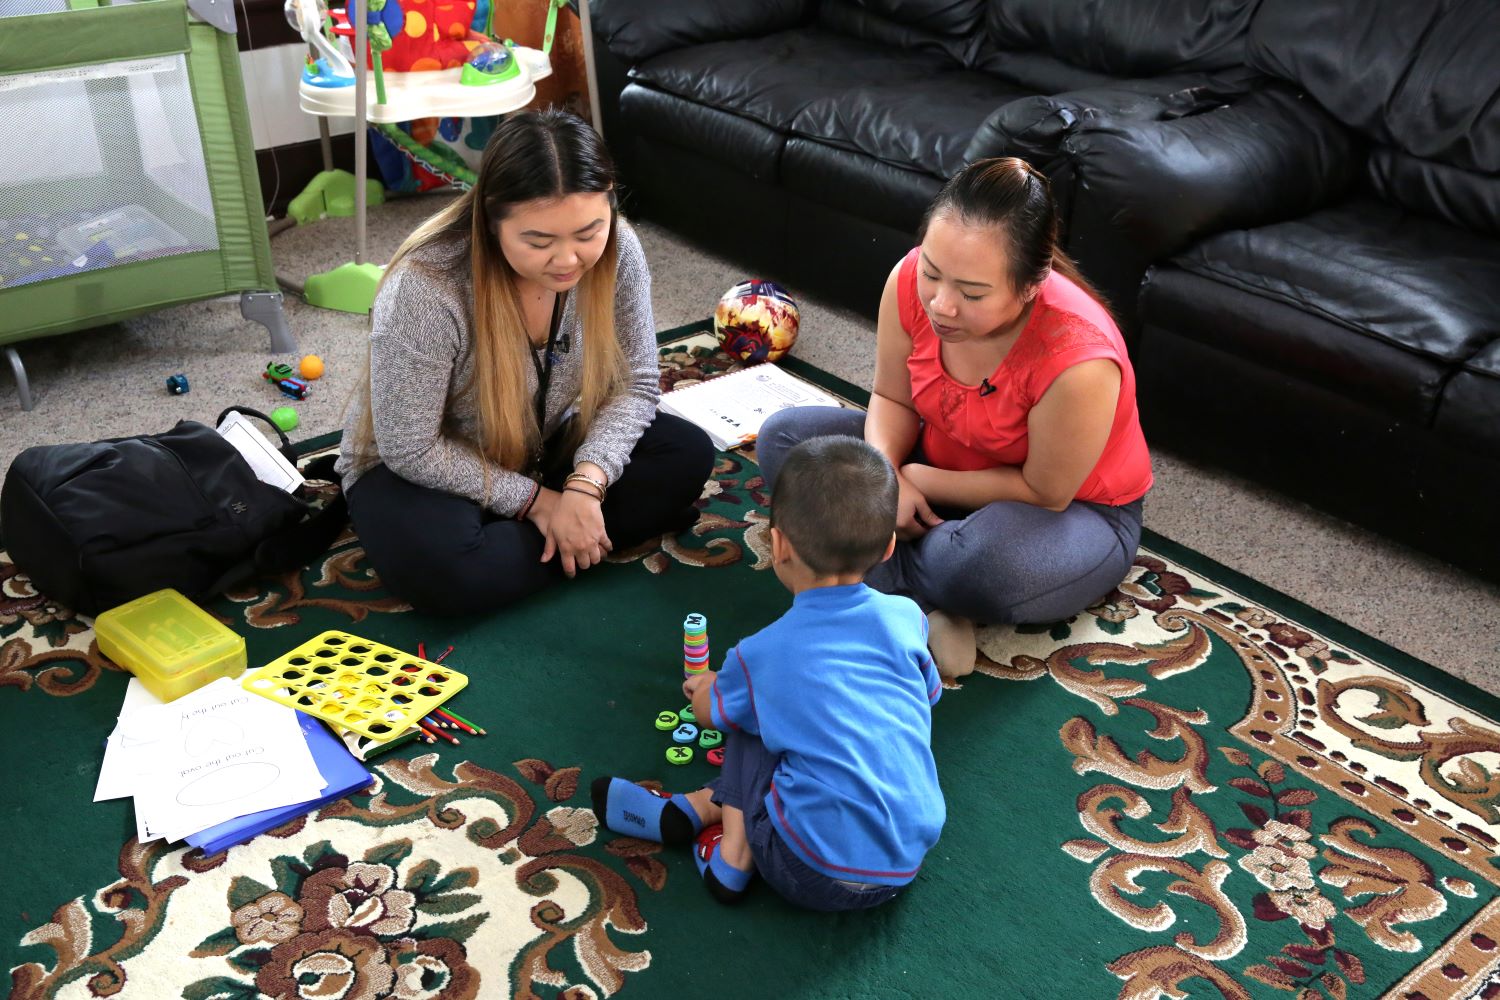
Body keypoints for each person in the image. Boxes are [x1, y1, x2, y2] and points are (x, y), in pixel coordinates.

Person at [756, 157, 1152, 677]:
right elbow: (892, 398)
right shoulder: (906, 281)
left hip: (1068, 511)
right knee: (786, 440)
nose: (941, 304)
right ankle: (919, 603)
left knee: (984, 565)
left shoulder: (1080, 360)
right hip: (934, 453)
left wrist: (914, 478)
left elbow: (1045, 490)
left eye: (972, 293)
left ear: (1030, 285)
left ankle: (884, 583)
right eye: (932, 273)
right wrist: (885, 475)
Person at [336, 109, 714, 616]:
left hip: (540, 447)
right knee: (453, 571)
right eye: (538, 241)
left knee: (686, 452)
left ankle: (543, 540)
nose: (567, 260)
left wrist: (585, 486)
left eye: (588, 233)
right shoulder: (425, 287)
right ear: (492, 223)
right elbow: (410, 448)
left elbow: (638, 383)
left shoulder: (621, 248)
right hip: (424, 468)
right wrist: (541, 503)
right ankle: (573, 537)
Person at [590, 437, 945, 910]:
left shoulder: (761, 655)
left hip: (809, 871)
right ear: (888, 547)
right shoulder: (907, 617)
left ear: (776, 544)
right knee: (799, 721)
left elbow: (708, 714)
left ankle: (733, 858)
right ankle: (697, 806)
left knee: (746, 715)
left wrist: (711, 687)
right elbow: (927, 696)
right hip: (902, 865)